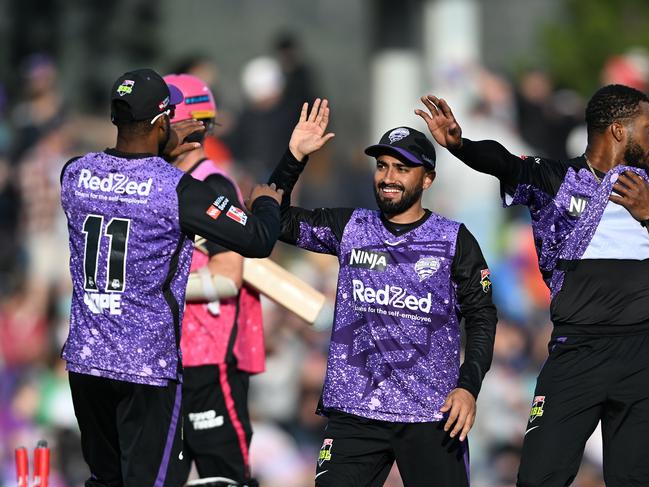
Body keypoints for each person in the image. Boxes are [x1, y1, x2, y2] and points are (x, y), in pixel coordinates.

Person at [416, 85, 649, 487]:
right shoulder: (557, 180)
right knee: (540, 477)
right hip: (576, 353)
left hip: (642, 355)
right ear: (618, 130)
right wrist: (461, 145)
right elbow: (505, 163)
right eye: (647, 127)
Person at [60, 68, 282, 487]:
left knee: (104, 480)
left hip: (86, 363)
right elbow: (257, 239)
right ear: (164, 123)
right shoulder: (176, 188)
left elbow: (122, 177)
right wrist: (267, 202)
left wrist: (157, 144)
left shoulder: (74, 173)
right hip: (146, 366)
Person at [269, 99, 498, 486]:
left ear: (427, 179)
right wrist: (294, 157)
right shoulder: (350, 227)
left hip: (431, 414)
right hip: (354, 412)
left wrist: (468, 386)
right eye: (382, 166)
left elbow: (482, 316)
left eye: (402, 168)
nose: (388, 177)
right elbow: (272, 219)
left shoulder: (454, 240)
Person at [162, 73, 263, 486]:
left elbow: (228, 275)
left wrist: (154, 290)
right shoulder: (157, 181)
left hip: (209, 356)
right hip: (163, 360)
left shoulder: (212, 184)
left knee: (224, 479)